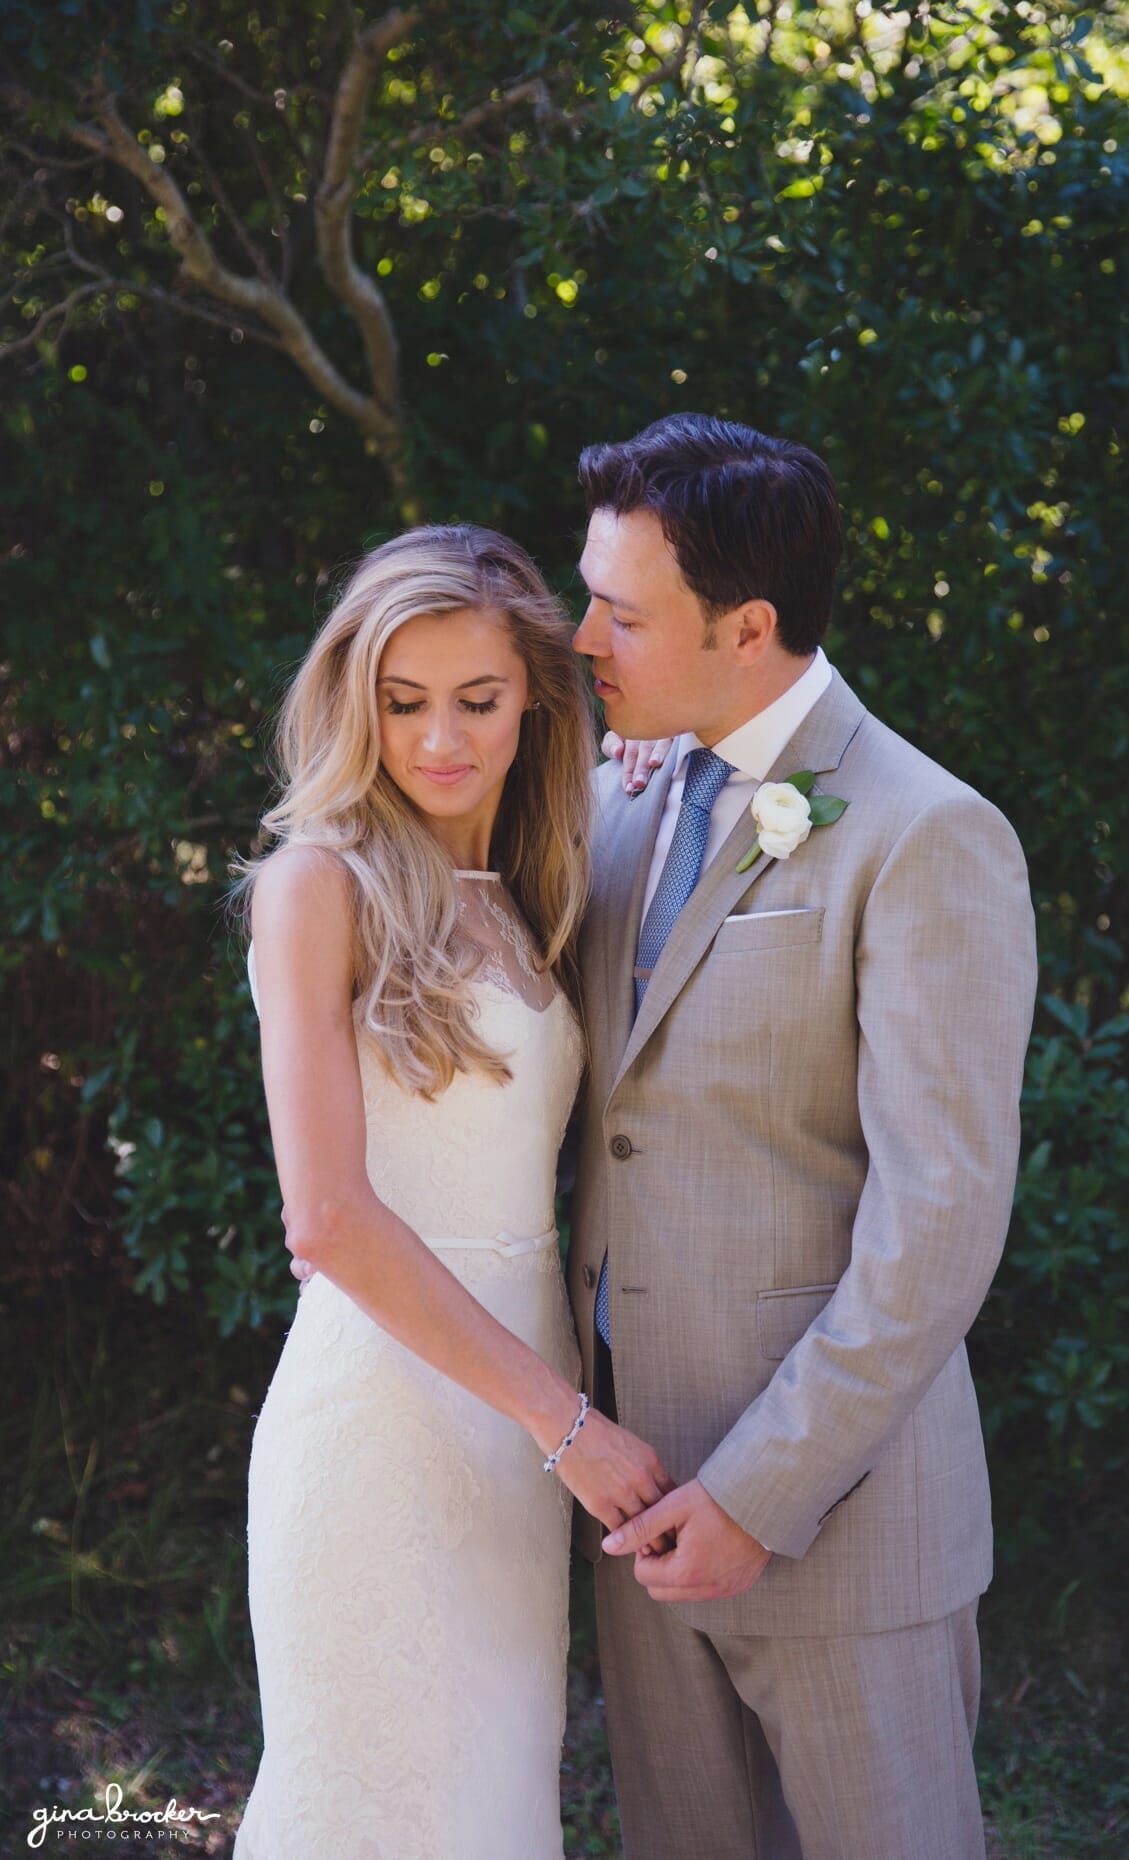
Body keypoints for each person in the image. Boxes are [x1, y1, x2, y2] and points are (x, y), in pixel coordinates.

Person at [567, 412, 1039, 1860]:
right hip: (639, 1509)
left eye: (623, 611)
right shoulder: (623, 795)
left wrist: (761, 1494)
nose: (584, 636)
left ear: (748, 624)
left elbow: (938, 1229)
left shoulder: (924, 833)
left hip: (843, 1527)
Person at [230, 524, 672, 1860]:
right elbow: (330, 1220)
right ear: (355, 703)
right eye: (402, 703)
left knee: (489, 1813)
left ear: (531, 694)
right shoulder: (320, 886)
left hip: (517, 1436)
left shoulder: (533, 890)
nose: (439, 740)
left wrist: (644, 771)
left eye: (477, 702)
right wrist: (571, 1425)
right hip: (386, 1431)